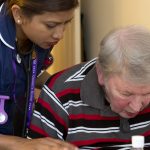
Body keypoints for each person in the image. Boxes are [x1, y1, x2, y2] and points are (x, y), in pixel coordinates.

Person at [28, 25, 150, 150]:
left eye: (147, 93)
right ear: (101, 74)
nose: (136, 107)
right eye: (126, 94)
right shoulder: (59, 93)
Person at [0, 0, 79, 150]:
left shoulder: (39, 38)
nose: (59, 35)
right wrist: (21, 144)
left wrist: (66, 86)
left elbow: (31, 72)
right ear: (19, 14)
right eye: (51, 25)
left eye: (66, 23)